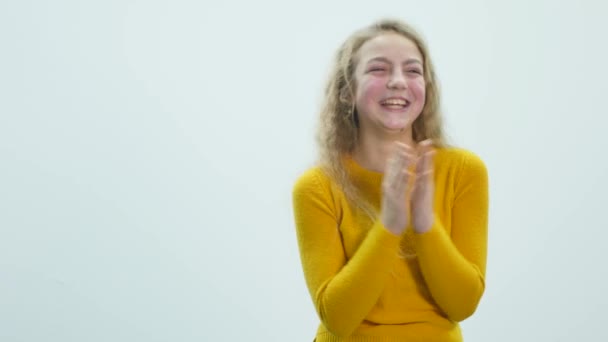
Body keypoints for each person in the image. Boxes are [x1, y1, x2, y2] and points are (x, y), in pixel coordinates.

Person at [291, 18, 489, 342]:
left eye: (412, 71)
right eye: (378, 69)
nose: (398, 81)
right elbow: (338, 319)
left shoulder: (464, 171)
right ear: (348, 91)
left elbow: (463, 304)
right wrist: (391, 223)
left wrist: (424, 222)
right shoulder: (316, 186)